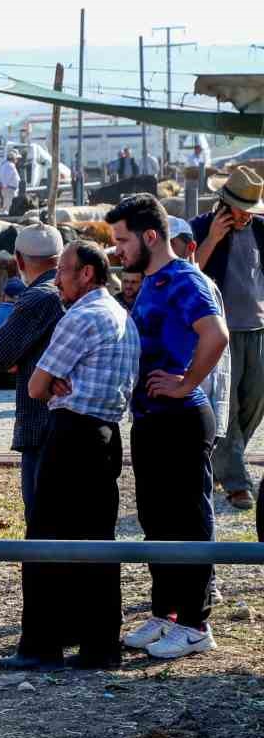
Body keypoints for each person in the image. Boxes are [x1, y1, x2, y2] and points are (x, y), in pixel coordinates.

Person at [0, 240, 140, 671]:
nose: (56, 280)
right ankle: (99, 646)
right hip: (106, 434)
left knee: (45, 539)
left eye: (63, 271)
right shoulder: (121, 315)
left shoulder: (80, 318)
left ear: (86, 274)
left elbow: (36, 387)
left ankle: (42, 645)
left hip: (71, 434)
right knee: (97, 541)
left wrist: (51, 381)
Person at [107, 193, 228, 660]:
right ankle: (167, 613)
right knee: (157, 520)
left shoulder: (183, 279)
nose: (117, 250)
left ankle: (197, 624)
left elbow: (216, 334)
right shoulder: (153, 282)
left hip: (181, 418)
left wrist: (186, 382)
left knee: (188, 520)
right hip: (151, 419)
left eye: (123, 240)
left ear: (151, 237)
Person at [0, 224, 67, 524]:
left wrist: (18, 354)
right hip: (79, 421)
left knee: (42, 520)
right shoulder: (80, 292)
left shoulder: (37, 298)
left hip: (42, 424)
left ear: (18, 259)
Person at [190, 166, 264, 509]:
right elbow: (190, 272)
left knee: (255, 400)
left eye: (250, 208)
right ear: (225, 203)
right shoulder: (201, 227)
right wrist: (212, 240)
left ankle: (224, 460)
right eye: (241, 208)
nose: (246, 214)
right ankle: (236, 482)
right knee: (228, 404)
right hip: (220, 330)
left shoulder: (260, 229)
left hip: (257, 327)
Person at [170, 214, 231, 444]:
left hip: (192, 401)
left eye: (172, 244)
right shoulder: (158, 282)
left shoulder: (199, 286)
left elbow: (217, 347)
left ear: (190, 248)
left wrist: (186, 385)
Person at [0, 151, 22, 216]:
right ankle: (7, 217)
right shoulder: (10, 165)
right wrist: (5, 186)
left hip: (9, 189)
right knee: (9, 206)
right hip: (9, 189)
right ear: (13, 158)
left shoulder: (5, 164)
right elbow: (7, 177)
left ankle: (5, 215)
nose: (17, 160)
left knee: (6, 205)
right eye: (16, 158)